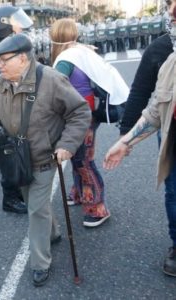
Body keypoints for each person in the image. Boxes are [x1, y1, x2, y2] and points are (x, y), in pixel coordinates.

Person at [0, 33, 91, 286]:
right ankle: (53, 232)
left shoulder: (51, 80)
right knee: (33, 204)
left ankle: (40, 263)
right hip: (17, 158)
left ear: (23, 58)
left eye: (4, 60)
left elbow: (80, 111)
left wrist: (67, 145)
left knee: (36, 209)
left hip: (46, 157)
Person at [116, 0, 176, 277]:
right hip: (172, 134)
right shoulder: (163, 55)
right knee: (174, 192)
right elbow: (146, 99)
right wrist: (124, 138)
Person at [50, 18, 122, 227]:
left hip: (79, 117)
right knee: (78, 157)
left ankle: (98, 207)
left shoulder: (64, 59)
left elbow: (54, 86)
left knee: (83, 160)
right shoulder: (80, 51)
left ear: (56, 37)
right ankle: (80, 193)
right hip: (89, 113)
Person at [0, 5, 34, 214]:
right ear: (5, 25)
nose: (20, 27)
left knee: (19, 157)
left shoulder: (11, 48)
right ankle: (10, 199)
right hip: (6, 113)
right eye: (16, 22)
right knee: (10, 158)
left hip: (17, 111)